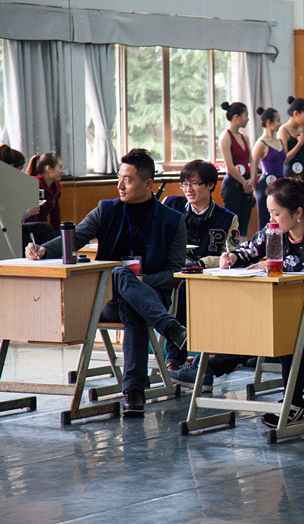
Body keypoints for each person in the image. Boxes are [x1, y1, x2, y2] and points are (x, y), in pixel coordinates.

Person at [26, 149, 187, 417]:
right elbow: (76, 237)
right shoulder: (107, 210)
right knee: (120, 273)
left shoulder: (172, 220)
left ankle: (133, 391)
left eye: (128, 180)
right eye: (119, 178)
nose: (120, 186)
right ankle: (170, 330)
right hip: (107, 299)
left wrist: (143, 280)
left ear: (148, 184)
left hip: (152, 297)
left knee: (132, 302)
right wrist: (43, 250)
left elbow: (175, 274)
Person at [212, 178, 304, 427]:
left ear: (298, 212)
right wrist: (232, 257)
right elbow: (249, 249)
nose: (271, 219)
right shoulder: (274, 230)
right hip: (294, 309)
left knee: (289, 319)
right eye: (270, 213)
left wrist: (277, 265)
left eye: (276, 213)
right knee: (287, 317)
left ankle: (216, 368)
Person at [163, 159, 239, 372]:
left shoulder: (227, 218)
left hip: (206, 278)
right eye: (185, 184)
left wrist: (201, 263)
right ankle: (175, 355)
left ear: (210, 185)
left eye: (195, 184)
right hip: (171, 270)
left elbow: (231, 255)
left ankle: (176, 357)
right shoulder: (171, 205)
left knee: (184, 289)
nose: (189, 190)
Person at [218, 101, 256, 238]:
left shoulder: (245, 137)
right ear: (236, 117)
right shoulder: (225, 137)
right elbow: (230, 166)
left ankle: (244, 247)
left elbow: (251, 160)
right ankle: (233, 248)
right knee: (234, 224)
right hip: (233, 184)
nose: (248, 119)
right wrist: (244, 182)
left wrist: (252, 179)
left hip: (246, 183)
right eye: (246, 115)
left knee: (244, 224)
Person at [253, 107, 286, 230]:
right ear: (269, 122)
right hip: (265, 185)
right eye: (277, 120)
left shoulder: (280, 141)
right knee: (264, 222)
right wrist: (255, 188)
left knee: (281, 221)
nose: (280, 123)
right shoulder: (261, 143)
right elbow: (253, 166)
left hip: (280, 185)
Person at [24, 153, 63, 231]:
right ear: (49, 168)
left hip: (42, 228)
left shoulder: (55, 187)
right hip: (31, 229)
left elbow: (55, 217)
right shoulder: (34, 185)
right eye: (60, 167)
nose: (62, 171)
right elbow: (31, 219)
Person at [279, 96, 304, 182]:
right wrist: (299, 144)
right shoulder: (283, 130)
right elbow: (284, 159)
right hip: (290, 174)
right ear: (296, 113)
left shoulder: (303, 131)